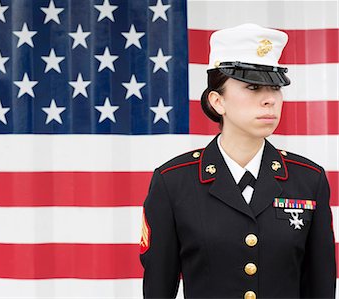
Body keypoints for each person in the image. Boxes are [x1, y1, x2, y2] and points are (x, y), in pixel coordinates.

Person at [139, 23, 336, 299]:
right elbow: (159, 288)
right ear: (217, 101)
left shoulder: (308, 180)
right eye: (253, 87)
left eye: (276, 88)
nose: (269, 100)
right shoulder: (174, 182)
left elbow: (321, 287)